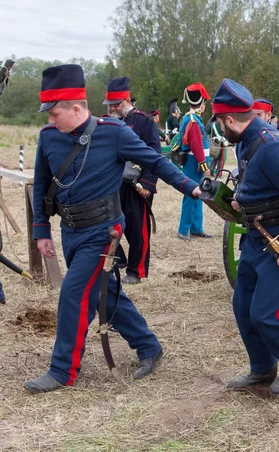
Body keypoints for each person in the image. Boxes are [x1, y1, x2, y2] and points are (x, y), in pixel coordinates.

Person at [27, 64, 203, 393]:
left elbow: (156, 161)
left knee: (73, 294)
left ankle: (62, 370)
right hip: (70, 230)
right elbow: (41, 185)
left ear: (75, 108)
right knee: (104, 297)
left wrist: (190, 187)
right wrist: (41, 229)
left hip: (104, 232)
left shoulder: (114, 133)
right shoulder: (48, 137)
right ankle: (148, 345)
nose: (50, 122)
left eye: (54, 114)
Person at [210, 78, 279, 395]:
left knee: (267, 312)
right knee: (243, 307)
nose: (219, 128)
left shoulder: (273, 146)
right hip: (257, 240)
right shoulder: (246, 140)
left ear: (230, 119)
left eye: (219, 122)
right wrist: (241, 198)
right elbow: (259, 183)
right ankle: (261, 369)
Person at [104, 77, 161, 284]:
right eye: (109, 104)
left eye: (116, 104)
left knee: (137, 230)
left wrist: (147, 182)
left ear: (127, 100)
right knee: (107, 226)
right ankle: (118, 259)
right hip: (111, 185)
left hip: (136, 184)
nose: (112, 108)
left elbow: (154, 154)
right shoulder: (106, 121)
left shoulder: (144, 122)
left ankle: (136, 271)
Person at [177, 83, 213, 239]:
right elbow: (197, 146)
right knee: (191, 195)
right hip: (195, 162)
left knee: (199, 195)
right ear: (202, 103)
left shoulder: (191, 118)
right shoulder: (192, 120)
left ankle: (196, 227)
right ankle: (184, 230)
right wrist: (204, 166)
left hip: (195, 160)